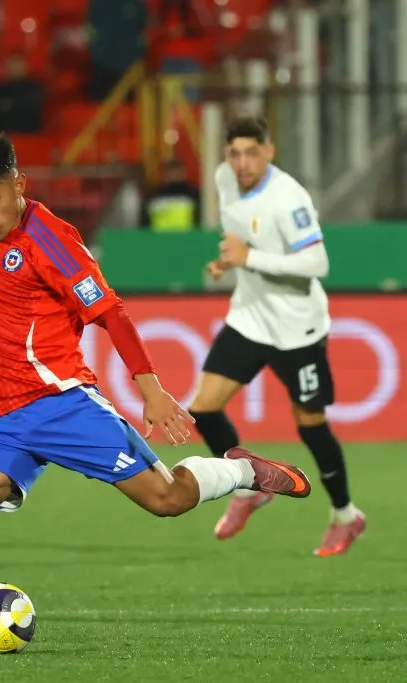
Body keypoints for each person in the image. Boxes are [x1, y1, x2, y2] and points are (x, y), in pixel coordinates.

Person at [0, 122, 313, 642]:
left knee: (167, 500)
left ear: (18, 184)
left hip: (61, 404)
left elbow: (110, 312)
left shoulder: (52, 241)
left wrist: (150, 387)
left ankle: (242, 471)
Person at [190, 115, 364, 556]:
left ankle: (346, 515)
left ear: (269, 151)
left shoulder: (290, 199)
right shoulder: (224, 180)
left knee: (311, 426)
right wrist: (230, 262)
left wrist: (252, 257)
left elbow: (317, 264)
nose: (243, 163)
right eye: (235, 154)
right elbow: (240, 234)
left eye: (252, 152)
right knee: (203, 409)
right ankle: (249, 490)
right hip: (250, 317)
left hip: (297, 328)